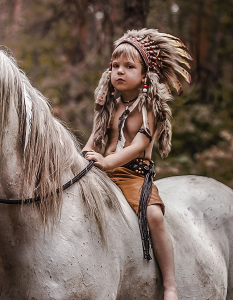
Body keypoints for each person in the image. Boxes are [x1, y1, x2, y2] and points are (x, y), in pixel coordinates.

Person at [82, 29, 192, 300]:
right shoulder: (109, 105)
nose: (120, 71)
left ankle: (170, 285)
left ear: (144, 75)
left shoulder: (149, 107)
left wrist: (107, 162)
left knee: (154, 216)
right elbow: (92, 141)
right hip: (101, 173)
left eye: (129, 66)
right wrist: (84, 156)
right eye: (115, 66)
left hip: (133, 176)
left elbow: (137, 146)